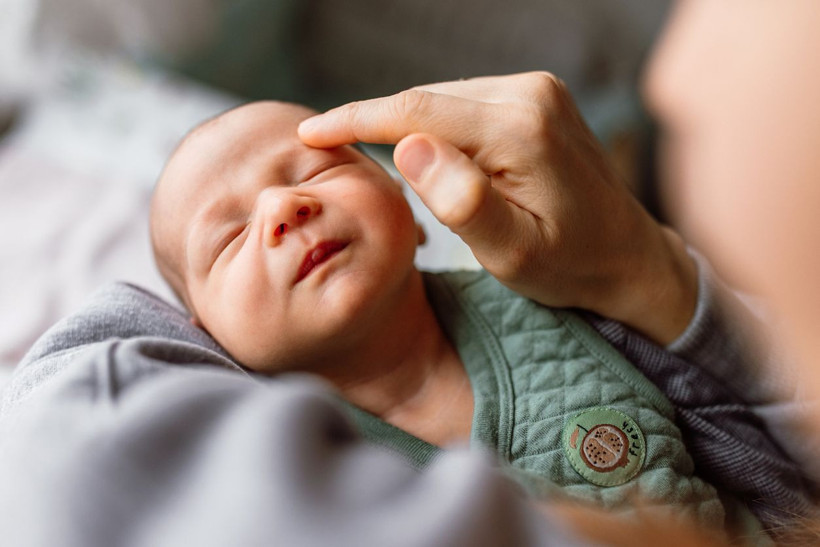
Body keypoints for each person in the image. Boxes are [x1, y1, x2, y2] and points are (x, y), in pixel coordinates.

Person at [148, 99, 804, 539]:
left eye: (316, 171)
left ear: (407, 202)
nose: (283, 208)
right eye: (229, 238)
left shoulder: (554, 298)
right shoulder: (285, 463)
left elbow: (747, 420)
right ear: (205, 336)